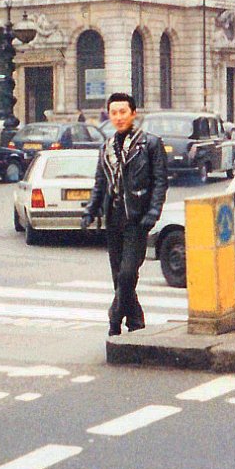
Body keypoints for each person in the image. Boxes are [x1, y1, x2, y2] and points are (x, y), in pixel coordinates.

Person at [81, 93, 169, 336]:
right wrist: (90, 211)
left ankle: (114, 320)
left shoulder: (150, 144)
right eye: (114, 113)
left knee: (129, 272)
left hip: (137, 219)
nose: (118, 117)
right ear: (108, 115)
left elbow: (160, 183)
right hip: (113, 218)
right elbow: (100, 183)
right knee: (119, 277)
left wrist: (152, 214)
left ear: (133, 114)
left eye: (123, 112)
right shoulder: (106, 147)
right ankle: (136, 323)